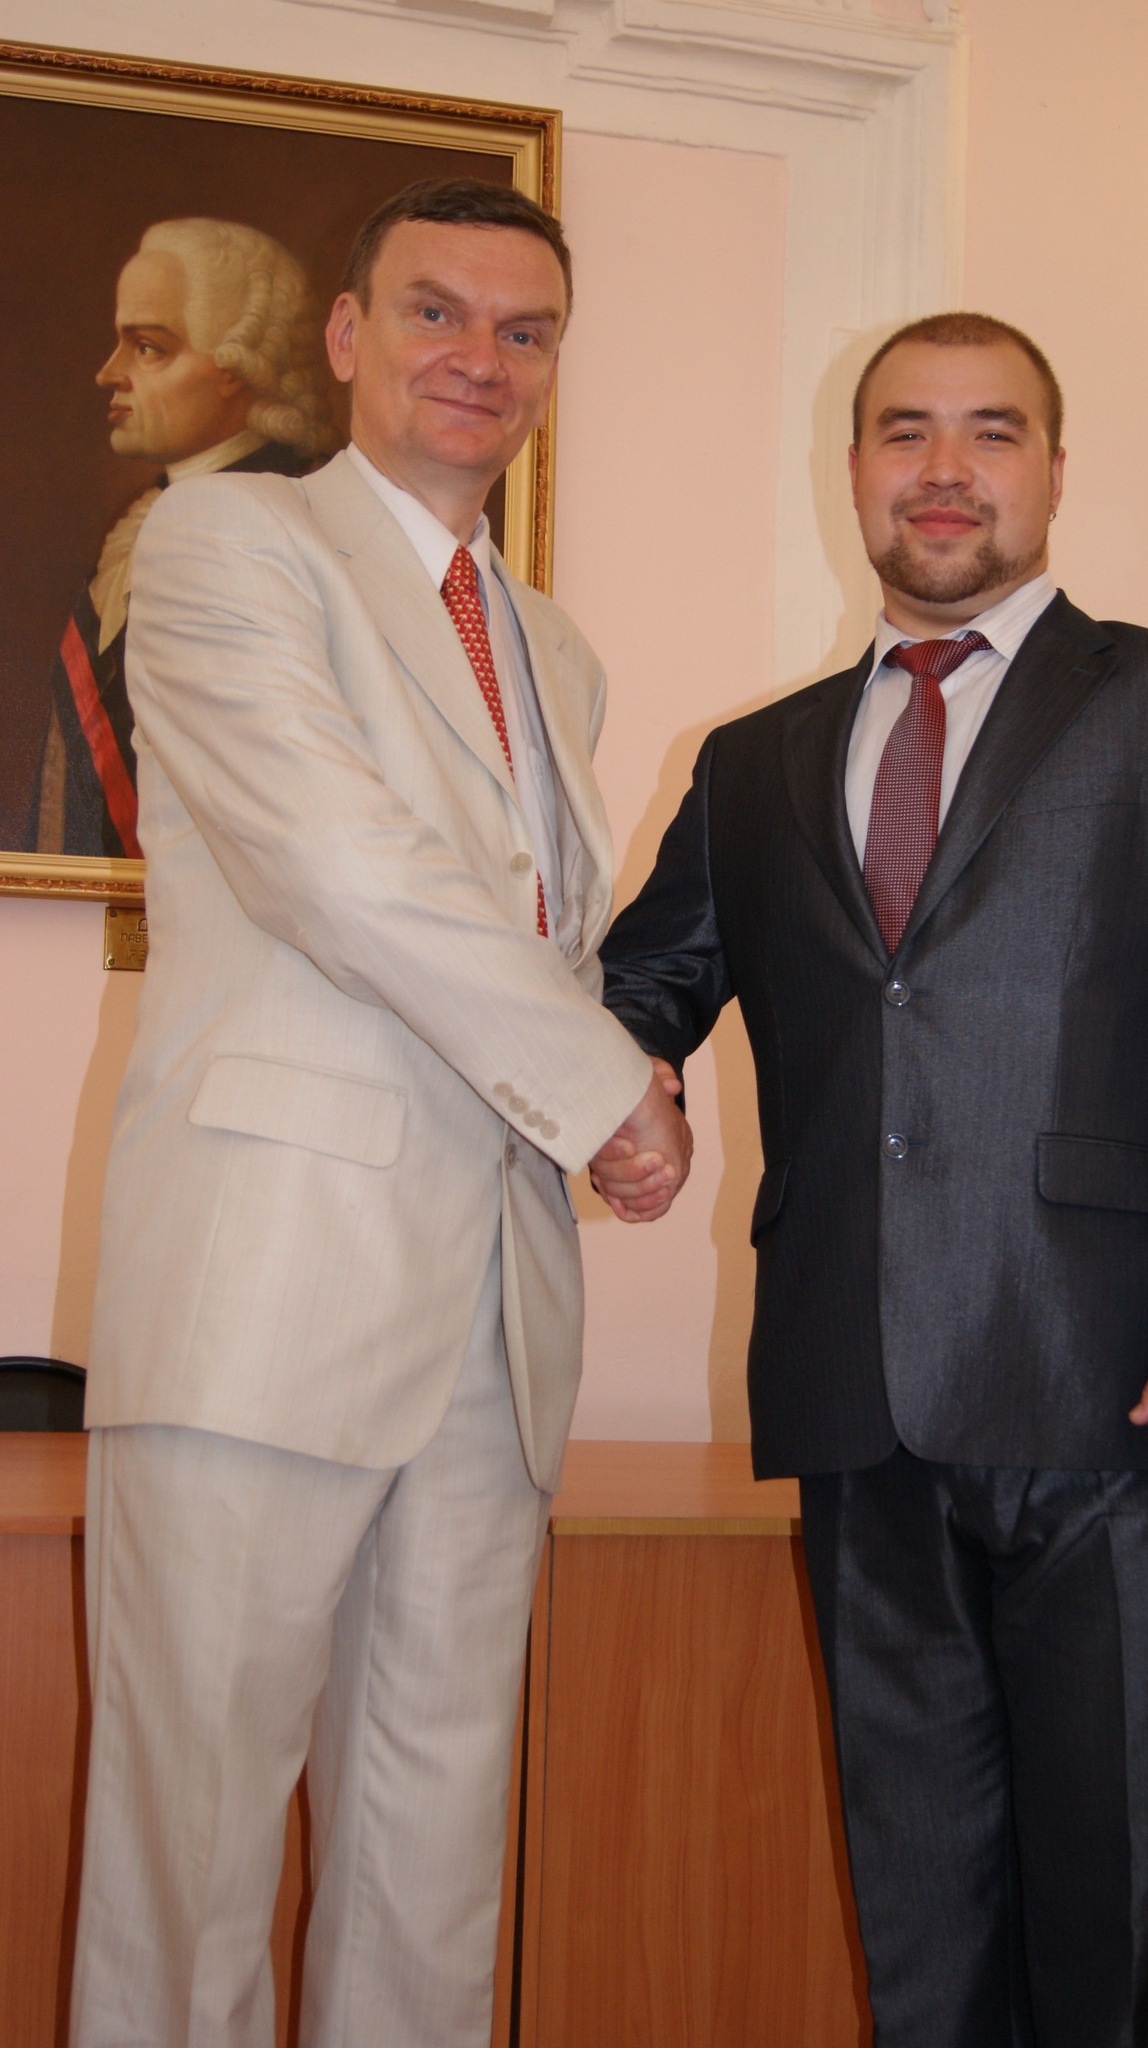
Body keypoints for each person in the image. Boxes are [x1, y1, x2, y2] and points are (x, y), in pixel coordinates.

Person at [592, 312, 1148, 2046]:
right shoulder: (756, 758)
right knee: (924, 1932)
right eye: (905, 431)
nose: (944, 469)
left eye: (991, 431)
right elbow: (648, 979)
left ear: (1053, 471)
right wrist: (626, 1080)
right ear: (851, 469)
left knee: (1121, 1934)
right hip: (857, 1405)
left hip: (1134, 1408)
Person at [71, 178, 689, 2048]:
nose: (479, 356)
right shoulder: (223, 544)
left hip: (494, 1318)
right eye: (435, 310)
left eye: (524, 329)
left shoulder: (554, 648)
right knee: (188, 1863)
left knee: (434, 1864)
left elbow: (531, 935)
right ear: (345, 337)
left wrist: (619, 1066)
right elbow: (342, 871)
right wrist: (607, 1093)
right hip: (266, 1296)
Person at [28, 216, 336, 856]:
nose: (109, 373)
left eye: (148, 348)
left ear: (235, 367)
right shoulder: (145, 520)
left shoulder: (298, 526)